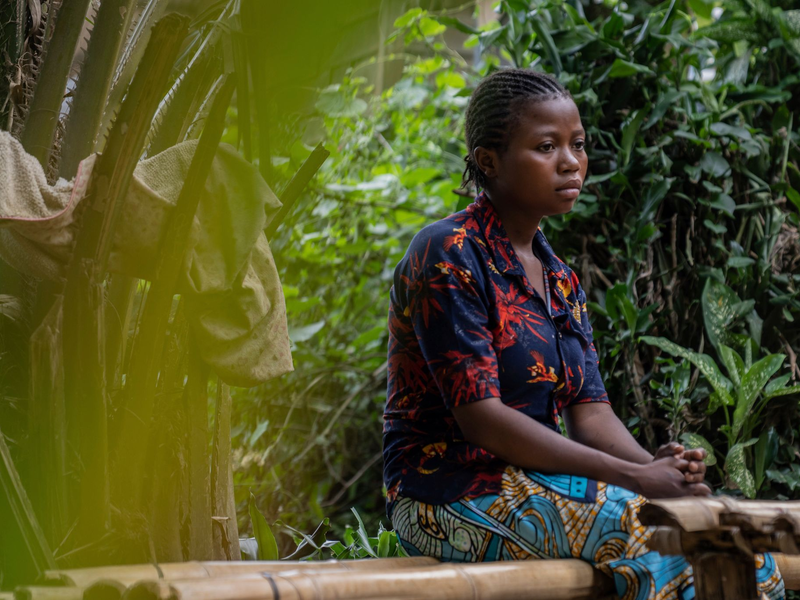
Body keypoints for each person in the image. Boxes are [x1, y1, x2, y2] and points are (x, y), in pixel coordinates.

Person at [382, 68, 784, 600]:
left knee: (737, 538)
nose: (571, 162)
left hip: (533, 484)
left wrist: (659, 469)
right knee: (656, 536)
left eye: (577, 144)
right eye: (546, 146)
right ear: (488, 161)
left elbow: (590, 413)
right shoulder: (448, 253)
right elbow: (483, 420)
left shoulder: (560, 279)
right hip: (444, 494)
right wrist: (636, 481)